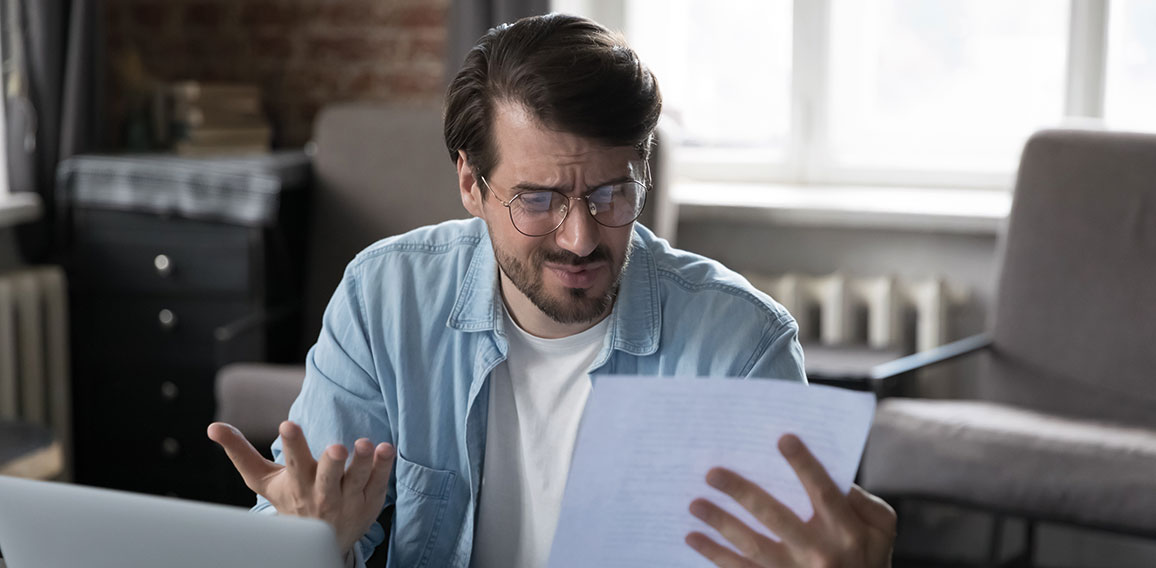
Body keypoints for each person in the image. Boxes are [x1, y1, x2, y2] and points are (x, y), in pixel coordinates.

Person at [208, 13, 896, 568]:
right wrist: (310, 543)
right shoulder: (384, 297)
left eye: (610, 194)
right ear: (472, 185)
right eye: (537, 200)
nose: (580, 238)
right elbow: (304, 517)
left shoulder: (740, 344)